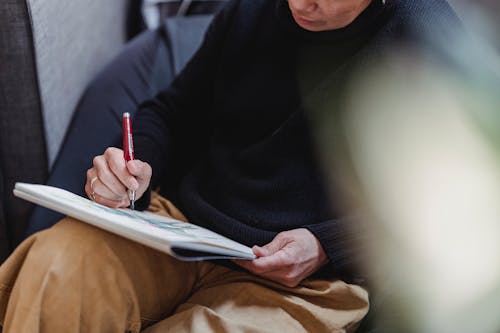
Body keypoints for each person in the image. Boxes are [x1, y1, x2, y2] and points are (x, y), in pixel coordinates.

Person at [0, 0, 460, 332]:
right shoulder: (251, 9)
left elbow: (448, 207)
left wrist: (326, 244)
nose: (300, 3)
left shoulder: (432, 42)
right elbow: (173, 111)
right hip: (183, 229)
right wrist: (134, 164)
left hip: (307, 281)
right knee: (56, 266)